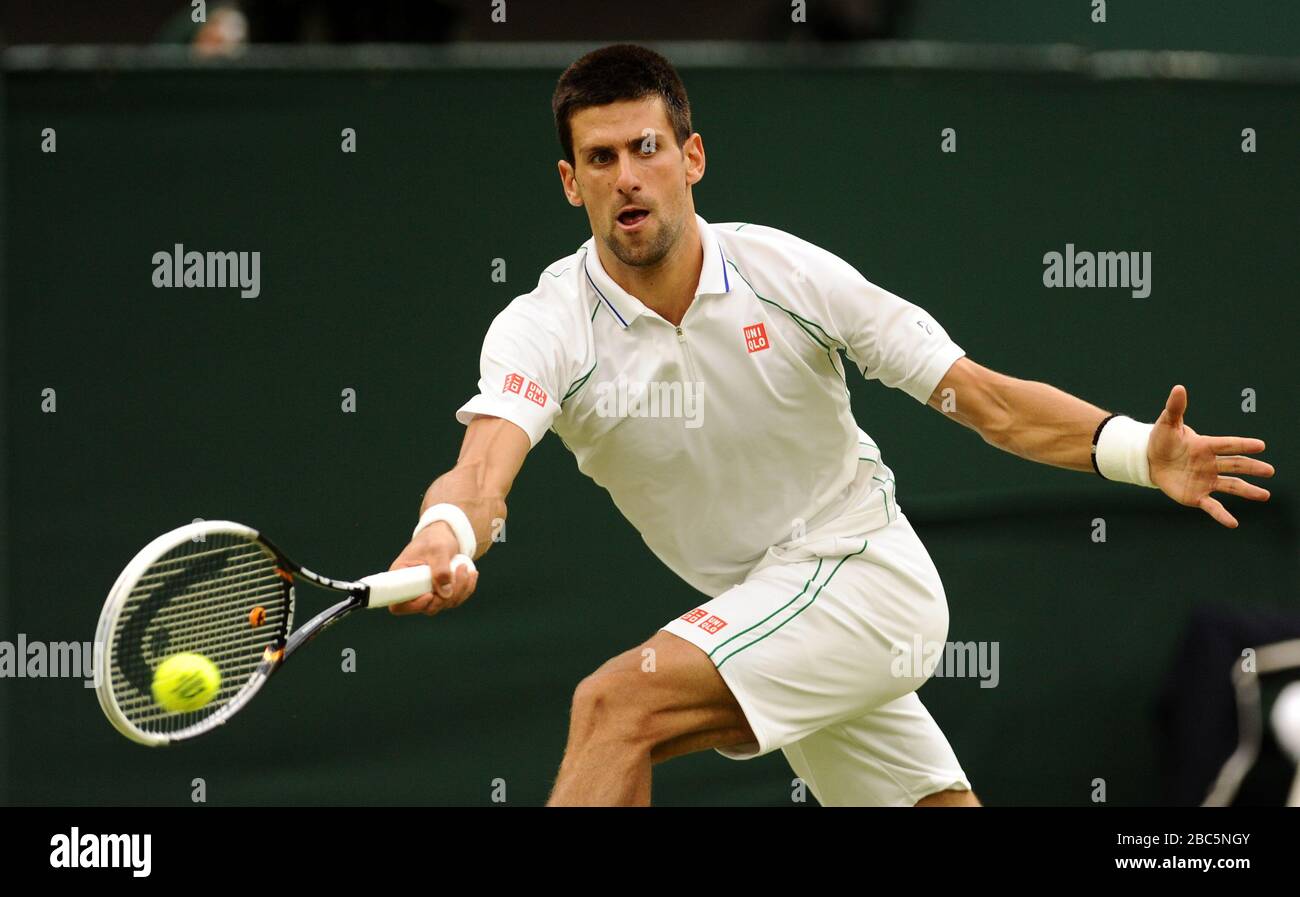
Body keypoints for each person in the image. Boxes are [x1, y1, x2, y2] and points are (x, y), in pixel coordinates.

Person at [385, 43, 1274, 807]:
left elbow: (986, 399)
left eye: (647, 147)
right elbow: (483, 468)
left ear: (692, 157)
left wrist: (1135, 450)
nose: (628, 175)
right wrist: (446, 528)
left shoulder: (792, 276)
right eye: (603, 156)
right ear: (570, 181)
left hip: (863, 575)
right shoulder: (545, 326)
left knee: (617, 706)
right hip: (767, 606)